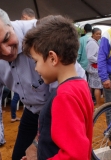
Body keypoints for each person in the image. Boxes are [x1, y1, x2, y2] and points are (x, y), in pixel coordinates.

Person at [0, 2, 86, 160]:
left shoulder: (43, 34)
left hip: (61, 110)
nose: (7, 51)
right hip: (32, 110)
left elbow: (75, 151)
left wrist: (36, 145)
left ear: (10, 23)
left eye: (7, 38)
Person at [21, 15, 94, 160]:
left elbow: (74, 155)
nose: (35, 68)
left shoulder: (64, 96)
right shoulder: (81, 86)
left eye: (36, 61)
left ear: (53, 58)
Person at [86, 28, 103, 107]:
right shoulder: (92, 43)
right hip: (95, 67)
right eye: (97, 34)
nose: (99, 35)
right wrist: (100, 60)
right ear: (92, 34)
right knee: (97, 87)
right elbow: (90, 57)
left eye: (100, 34)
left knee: (92, 85)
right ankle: (99, 104)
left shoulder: (93, 42)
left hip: (93, 67)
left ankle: (89, 101)